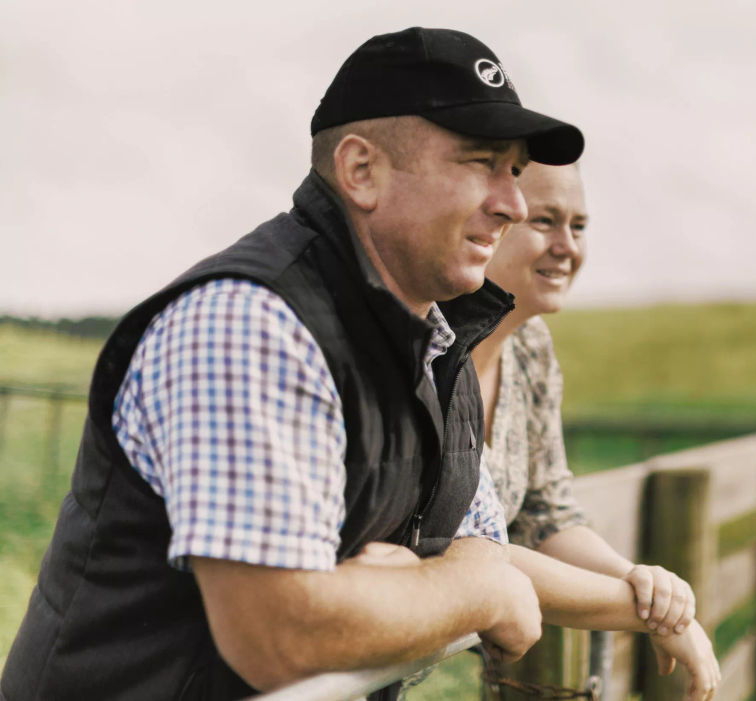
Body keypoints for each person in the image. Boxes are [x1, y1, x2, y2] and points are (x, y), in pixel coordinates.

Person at [1, 28, 584, 701]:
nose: (513, 203)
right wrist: (472, 590)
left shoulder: (432, 338)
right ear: (361, 170)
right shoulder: (249, 324)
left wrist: (438, 577)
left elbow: (480, 542)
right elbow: (276, 634)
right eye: (480, 161)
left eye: (513, 171)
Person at [468, 162, 719, 698]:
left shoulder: (531, 348)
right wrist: (650, 615)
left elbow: (547, 514)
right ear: (492, 218)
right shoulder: (428, 347)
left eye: (578, 227)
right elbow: (460, 548)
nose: (567, 247)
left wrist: (643, 582)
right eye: (544, 221)